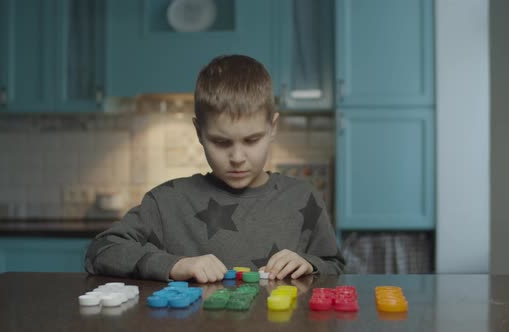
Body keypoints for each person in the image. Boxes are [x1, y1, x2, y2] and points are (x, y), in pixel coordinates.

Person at [85, 54, 344, 283]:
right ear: (199, 132)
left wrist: (310, 265)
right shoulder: (167, 202)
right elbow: (101, 251)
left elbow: (335, 267)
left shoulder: (302, 197)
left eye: (252, 140)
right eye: (221, 142)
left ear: (273, 128)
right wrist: (175, 265)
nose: (237, 157)